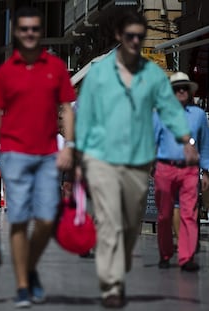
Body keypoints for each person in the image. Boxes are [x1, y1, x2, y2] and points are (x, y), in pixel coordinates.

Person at [75, 11, 199, 308]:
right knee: (108, 222)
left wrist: (186, 140)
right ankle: (112, 283)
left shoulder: (153, 75)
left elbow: (170, 111)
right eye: (129, 35)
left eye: (139, 37)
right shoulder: (101, 75)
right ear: (119, 36)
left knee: (129, 224)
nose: (134, 41)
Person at [0, 7, 75, 308]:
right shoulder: (6, 71)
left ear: (40, 32)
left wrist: (69, 145)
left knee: (45, 219)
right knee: (18, 219)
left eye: (35, 29)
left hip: (47, 155)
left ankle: (29, 266)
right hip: (14, 154)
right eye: (24, 29)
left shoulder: (55, 66)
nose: (29, 34)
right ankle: (24, 285)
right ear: (17, 33)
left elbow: (67, 108)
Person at [153, 72, 209, 271]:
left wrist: (206, 172)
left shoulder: (199, 115)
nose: (181, 90)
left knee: (189, 214)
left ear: (190, 90)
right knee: (165, 215)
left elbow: (204, 145)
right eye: (177, 88)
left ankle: (186, 258)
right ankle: (166, 253)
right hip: (165, 168)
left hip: (189, 171)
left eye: (184, 87)